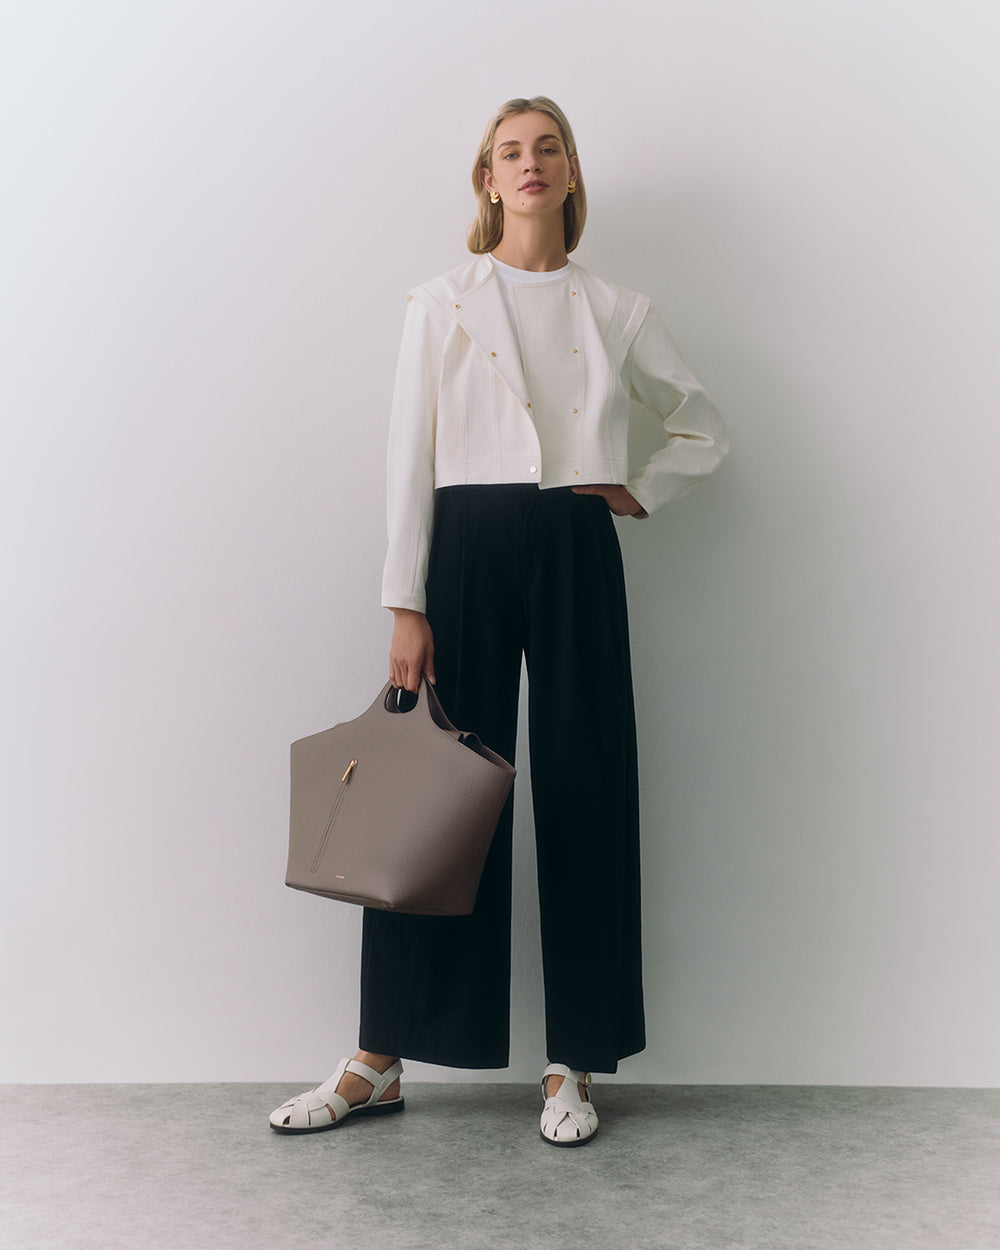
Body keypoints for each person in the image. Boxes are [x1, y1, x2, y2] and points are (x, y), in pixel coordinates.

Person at [270, 96, 728, 1146]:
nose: (529, 164)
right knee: (428, 799)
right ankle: (379, 1057)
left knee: (585, 788)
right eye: (509, 151)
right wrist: (405, 600)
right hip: (464, 547)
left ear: (569, 172)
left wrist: (637, 488)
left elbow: (703, 428)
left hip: (574, 545)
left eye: (547, 148)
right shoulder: (441, 302)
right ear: (487, 179)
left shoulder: (616, 308)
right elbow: (408, 457)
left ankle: (575, 1059)